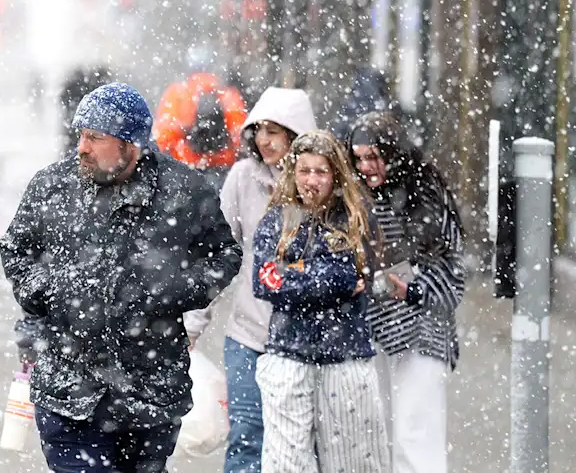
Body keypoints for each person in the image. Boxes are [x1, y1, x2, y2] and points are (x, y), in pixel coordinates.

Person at [0, 82, 242, 473]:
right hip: (68, 387)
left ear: (131, 145)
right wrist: (43, 290)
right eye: (81, 135)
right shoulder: (53, 186)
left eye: (96, 138)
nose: (82, 147)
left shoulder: (183, 191)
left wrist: (174, 290)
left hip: (150, 392)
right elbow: (15, 248)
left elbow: (224, 254)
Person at [183, 87, 317, 473]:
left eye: (274, 131)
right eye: (259, 130)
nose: (263, 140)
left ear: (296, 135)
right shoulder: (243, 178)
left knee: (302, 441)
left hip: (304, 339)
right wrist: (193, 322)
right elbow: (217, 255)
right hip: (247, 335)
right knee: (246, 435)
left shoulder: (318, 182)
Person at [252, 130, 389, 473]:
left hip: (346, 356)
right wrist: (332, 277)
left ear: (336, 174)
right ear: (292, 173)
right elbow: (266, 281)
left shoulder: (356, 218)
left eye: (321, 171)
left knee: (354, 464)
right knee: (285, 464)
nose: (311, 180)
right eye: (304, 170)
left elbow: (361, 274)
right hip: (287, 353)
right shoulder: (276, 220)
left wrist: (298, 271)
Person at [347, 112, 464, 473]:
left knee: (416, 436)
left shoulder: (425, 192)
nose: (366, 166)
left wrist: (415, 290)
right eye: (359, 158)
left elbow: (453, 273)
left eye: (373, 156)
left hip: (423, 331)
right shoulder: (355, 197)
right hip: (374, 331)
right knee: (378, 434)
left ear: (393, 153)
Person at [151, 54, 248, 192]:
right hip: (224, 171)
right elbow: (240, 135)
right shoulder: (228, 94)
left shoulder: (177, 94)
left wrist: (185, 134)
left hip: (186, 170)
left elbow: (163, 137)